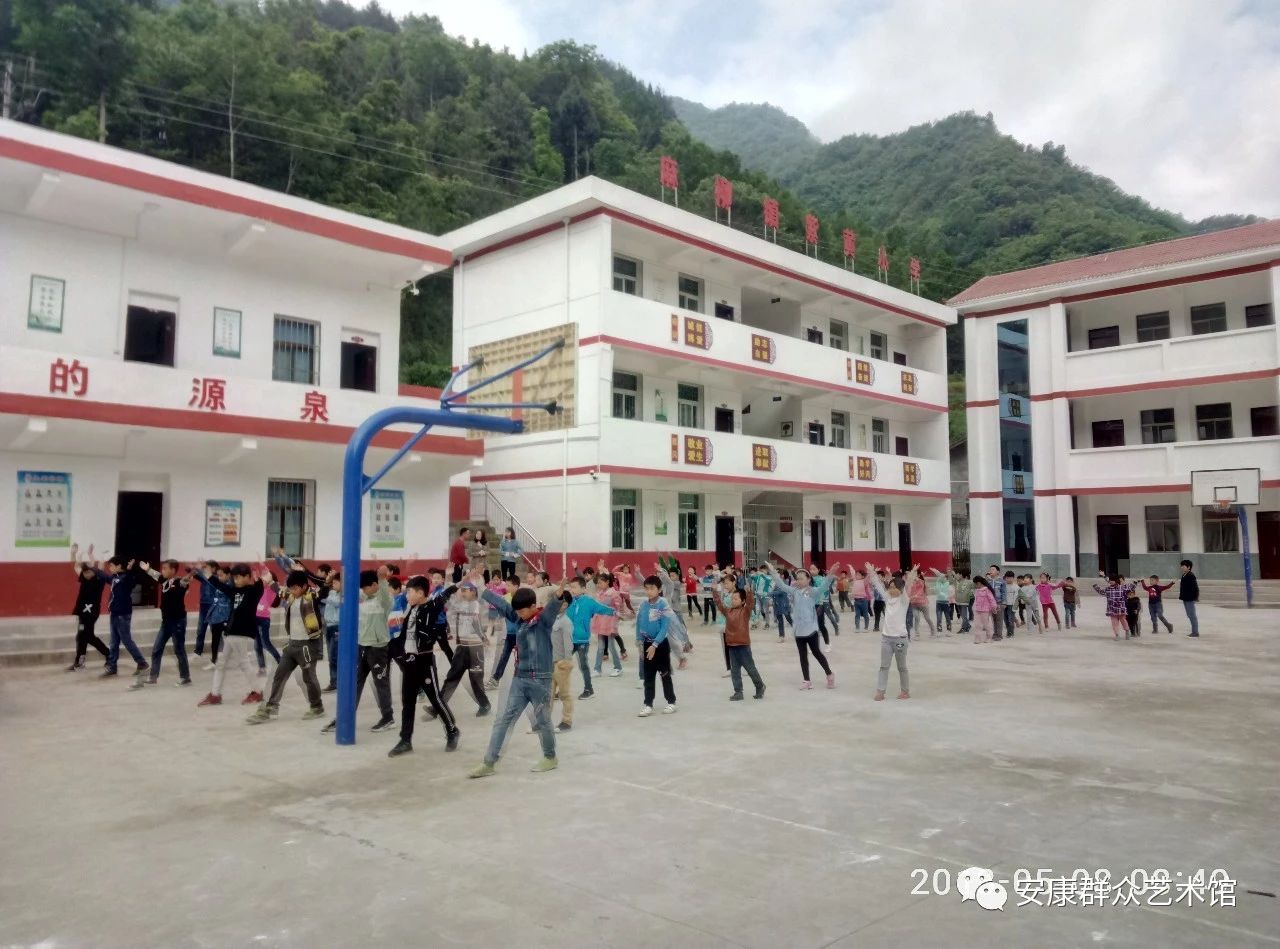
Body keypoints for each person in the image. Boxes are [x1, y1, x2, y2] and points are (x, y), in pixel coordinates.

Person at [470, 579, 565, 778]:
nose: (519, 615)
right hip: (520, 680)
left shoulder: (543, 621)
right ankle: (489, 762)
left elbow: (551, 609)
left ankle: (550, 757)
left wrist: (558, 596)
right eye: (518, 612)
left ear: (533, 606)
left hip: (540, 681)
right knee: (504, 720)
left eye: (522, 611)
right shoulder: (520, 619)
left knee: (543, 721)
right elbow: (503, 605)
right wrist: (482, 589)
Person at [387, 575, 459, 756]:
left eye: (409, 592)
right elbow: (402, 636)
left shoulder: (431, 607)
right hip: (409, 662)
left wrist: (460, 581)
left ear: (420, 593)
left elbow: (445, 595)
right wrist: (397, 653)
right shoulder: (410, 609)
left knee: (435, 699)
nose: (407, 595)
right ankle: (405, 740)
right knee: (407, 702)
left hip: (424, 661)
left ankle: (452, 730)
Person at [245, 569, 326, 723]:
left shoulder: (311, 596)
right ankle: (270, 708)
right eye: (290, 588)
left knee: (309, 677)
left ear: (304, 587)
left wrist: (309, 573)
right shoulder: (291, 596)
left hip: (308, 645)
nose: (292, 591)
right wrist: (270, 581)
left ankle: (317, 707)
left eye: (295, 588)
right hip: (292, 644)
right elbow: (279, 591)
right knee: (279, 676)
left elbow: (324, 589)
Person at [322, 568, 396, 733]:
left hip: (378, 648)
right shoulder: (364, 596)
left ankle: (388, 718)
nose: (363, 590)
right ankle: (344, 717)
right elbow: (349, 594)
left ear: (375, 585)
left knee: (381, 683)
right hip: (362, 646)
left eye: (365, 587)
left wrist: (382, 579)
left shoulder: (385, 600)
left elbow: (384, 594)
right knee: (354, 682)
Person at [191, 563, 266, 706]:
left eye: (239, 577)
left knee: (244, 663)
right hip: (231, 632)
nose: (236, 580)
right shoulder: (233, 591)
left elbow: (259, 588)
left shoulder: (252, 591)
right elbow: (219, 585)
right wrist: (207, 574)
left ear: (247, 577)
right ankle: (215, 695)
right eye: (234, 578)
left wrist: (259, 578)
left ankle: (257, 692)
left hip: (241, 632)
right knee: (221, 664)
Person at [764, 562, 834, 690]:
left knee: (817, 653)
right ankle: (806, 680)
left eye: (802, 578)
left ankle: (829, 674)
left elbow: (824, 587)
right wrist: (773, 571)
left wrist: (830, 574)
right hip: (798, 630)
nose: (799, 581)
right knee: (802, 655)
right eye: (797, 578)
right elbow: (781, 585)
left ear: (808, 579)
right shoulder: (794, 591)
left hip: (811, 629)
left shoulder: (812, 591)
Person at [132, 559, 193, 688]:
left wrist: (189, 577)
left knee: (179, 650)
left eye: (165, 568)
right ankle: (153, 677)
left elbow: (184, 582)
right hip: (166, 622)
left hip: (178, 622)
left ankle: (185, 677)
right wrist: (148, 569)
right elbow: (156, 575)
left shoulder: (179, 582)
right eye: (163, 568)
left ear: (173, 570)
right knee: (157, 649)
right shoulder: (164, 581)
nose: (163, 570)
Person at [437, 578, 492, 717]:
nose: (462, 593)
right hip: (462, 647)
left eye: (464, 591)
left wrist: (483, 638)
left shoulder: (476, 604)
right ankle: (438, 706)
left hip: (475, 648)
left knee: (475, 679)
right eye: (461, 591)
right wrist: (449, 578)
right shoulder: (461, 604)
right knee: (452, 677)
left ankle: (485, 704)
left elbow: (475, 622)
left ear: (473, 591)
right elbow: (447, 599)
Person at [94, 556, 149, 678]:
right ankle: (112, 667)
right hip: (114, 614)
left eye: (111, 565)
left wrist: (129, 570)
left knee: (126, 640)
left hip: (122, 614)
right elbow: (105, 576)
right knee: (113, 642)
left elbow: (131, 581)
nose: (110, 568)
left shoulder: (126, 578)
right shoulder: (115, 578)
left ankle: (142, 663)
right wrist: (95, 568)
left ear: (119, 566)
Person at [869, 563, 914, 700]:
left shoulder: (903, 601)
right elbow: (878, 585)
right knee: (884, 666)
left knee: (901, 667)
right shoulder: (887, 599)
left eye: (895, 587)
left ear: (900, 589)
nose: (891, 589)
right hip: (886, 640)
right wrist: (871, 572)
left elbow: (908, 585)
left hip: (900, 640)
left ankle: (905, 691)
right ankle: (880, 691)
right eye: (890, 587)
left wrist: (912, 573)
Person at [565, 576, 614, 699]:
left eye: (574, 587)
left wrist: (614, 612)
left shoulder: (588, 601)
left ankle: (589, 690)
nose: (572, 590)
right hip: (569, 639)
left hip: (582, 640)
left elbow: (602, 608)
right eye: (571, 587)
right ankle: (561, 689)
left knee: (583, 665)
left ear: (583, 589)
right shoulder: (570, 602)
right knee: (562, 664)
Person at [635, 575, 678, 716]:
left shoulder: (663, 604)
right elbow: (639, 624)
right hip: (647, 644)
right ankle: (648, 704)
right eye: (646, 588)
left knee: (664, 674)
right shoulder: (643, 605)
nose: (649, 591)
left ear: (659, 589)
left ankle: (671, 702)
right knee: (648, 676)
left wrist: (655, 645)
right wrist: (639, 642)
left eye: (652, 588)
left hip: (660, 645)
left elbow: (664, 627)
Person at [67, 543, 108, 671]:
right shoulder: (84, 578)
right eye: (84, 572)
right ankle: (80, 662)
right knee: (81, 636)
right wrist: (73, 553)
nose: (86, 574)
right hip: (82, 613)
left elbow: (100, 565)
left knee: (87, 636)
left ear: (94, 571)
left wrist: (93, 555)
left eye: (89, 572)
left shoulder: (99, 579)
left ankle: (109, 654)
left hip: (92, 613)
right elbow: (75, 566)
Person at [722, 582, 765, 701]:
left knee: (750, 668)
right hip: (731, 645)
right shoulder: (728, 611)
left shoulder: (745, 612)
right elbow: (719, 605)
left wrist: (749, 592)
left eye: (736, 599)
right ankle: (738, 692)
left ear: (742, 601)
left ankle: (760, 686)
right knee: (735, 671)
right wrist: (715, 592)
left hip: (743, 646)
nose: (733, 600)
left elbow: (750, 603)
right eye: (732, 598)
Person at [548, 591, 576, 732]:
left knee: (564, 694)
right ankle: (544, 722)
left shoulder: (566, 622)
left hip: (561, 663)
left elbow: (568, 645)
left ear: (567, 605)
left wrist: (566, 663)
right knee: (547, 695)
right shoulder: (550, 618)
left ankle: (566, 721)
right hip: (549, 662)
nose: (560, 605)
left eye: (563, 603)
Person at [591, 573, 624, 676]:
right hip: (601, 623)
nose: (599, 585)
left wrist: (616, 618)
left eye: (601, 583)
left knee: (611, 646)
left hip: (609, 623)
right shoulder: (599, 593)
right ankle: (597, 669)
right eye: (598, 583)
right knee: (600, 647)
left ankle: (618, 668)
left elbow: (618, 608)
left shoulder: (613, 593)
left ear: (607, 582)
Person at [1092, 574, 1135, 640]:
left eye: (1112, 580)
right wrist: (1096, 587)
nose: (1111, 581)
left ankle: (1127, 631)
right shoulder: (1108, 589)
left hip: (1120, 608)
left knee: (1123, 620)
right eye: (1110, 580)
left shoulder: (1122, 587)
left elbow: (1130, 588)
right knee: (1114, 622)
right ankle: (1117, 635)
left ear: (1116, 581)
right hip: (1112, 609)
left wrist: (1135, 583)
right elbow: (1101, 592)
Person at [193, 559, 218, 663]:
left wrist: (199, 568)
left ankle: (218, 652)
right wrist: (196, 567)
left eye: (207, 567)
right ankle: (198, 651)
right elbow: (193, 572)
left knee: (215, 631)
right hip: (203, 605)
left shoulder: (216, 578)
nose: (205, 569)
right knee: (201, 629)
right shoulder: (203, 577)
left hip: (213, 606)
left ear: (214, 568)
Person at [321, 573, 342, 692]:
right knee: (331, 656)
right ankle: (334, 681)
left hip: (337, 627)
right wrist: (327, 582)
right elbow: (321, 596)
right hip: (329, 627)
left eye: (335, 582)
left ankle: (336, 681)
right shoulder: (332, 593)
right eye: (332, 583)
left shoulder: (344, 595)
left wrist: (327, 599)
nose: (333, 585)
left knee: (334, 656)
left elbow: (336, 602)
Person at [971, 575, 997, 643]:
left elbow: (992, 599)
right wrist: (973, 608)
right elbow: (975, 600)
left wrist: (994, 607)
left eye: (975, 584)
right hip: (977, 610)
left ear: (979, 583)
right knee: (977, 625)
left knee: (986, 625)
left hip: (985, 610)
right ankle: (977, 638)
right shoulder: (977, 591)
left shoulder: (987, 590)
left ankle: (989, 637)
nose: (975, 586)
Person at [1178, 560, 1200, 637]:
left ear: (1189, 567)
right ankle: (1194, 631)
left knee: (1192, 615)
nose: (1182, 567)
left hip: (1190, 598)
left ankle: (1195, 632)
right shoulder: (1184, 575)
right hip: (1185, 598)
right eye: (1181, 566)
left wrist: (1196, 597)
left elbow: (1195, 587)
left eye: (1183, 566)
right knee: (1189, 614)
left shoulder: (1191, 575)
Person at [929, 568, 954, 633]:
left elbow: (951, 593)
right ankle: (939, 630)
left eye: (943, 577)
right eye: (941, 577)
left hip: (946, 603)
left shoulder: (948, 584)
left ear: (946, 578)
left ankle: (949, 630)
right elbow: (937, 590)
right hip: (939, 603)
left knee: (947, 617)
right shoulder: (938, 583)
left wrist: (945, 595)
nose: (942, 578)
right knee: (939, 618)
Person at [771, 572, 793, 641]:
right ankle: (781, 636)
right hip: (777, 604)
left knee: (789, 618)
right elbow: (773, 592)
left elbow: (781, 591)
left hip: (784, 604)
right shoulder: (775, 583)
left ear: (782, 575)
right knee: (780, 621)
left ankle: (798, 631)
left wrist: (770, 593)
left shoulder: (785, 582)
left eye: (778, 574)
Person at [986, 566, 1007, 641]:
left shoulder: (1001, 581)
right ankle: (995, 633)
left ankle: (999, 635)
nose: (991, 571)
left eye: (993, 569)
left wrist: (1004, 603)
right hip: (991, 604)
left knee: (999, 620)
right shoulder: (988, 581)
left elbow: (1004, 593)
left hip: (999, 603)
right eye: (990, 569)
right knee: (994, 619)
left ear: (998, 572)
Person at [953, 569, 974, 635]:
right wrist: (952, 573)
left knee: (964, 616)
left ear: (962, 575)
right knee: (962, 615)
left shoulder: (969, 582)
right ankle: (968, 626)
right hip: (958, 601)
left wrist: (970, 594)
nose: (957, 575)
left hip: (964, 601)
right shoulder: (957, 582)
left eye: (959, 574)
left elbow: (974, 587)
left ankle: (963, 628)